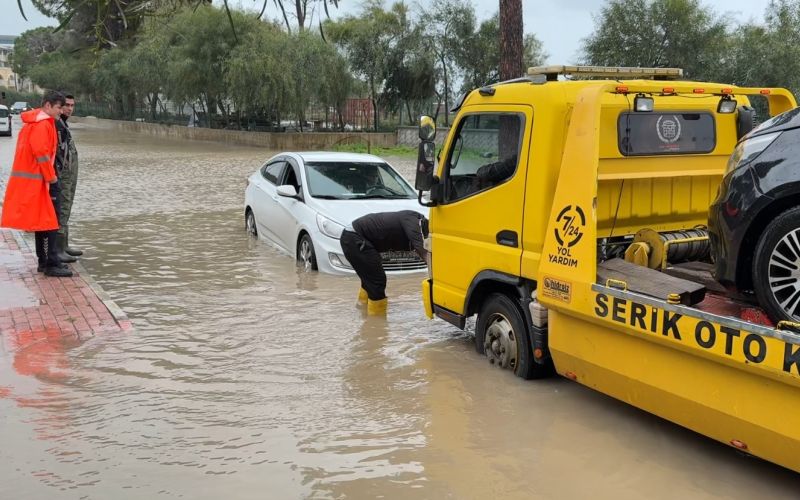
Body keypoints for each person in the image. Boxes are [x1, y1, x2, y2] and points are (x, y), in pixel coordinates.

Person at [1, 91, 72, 277]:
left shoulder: (35, 122)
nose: (61, 111)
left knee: (43, 221)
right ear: (47, 106)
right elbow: (42, 154)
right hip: (43, 180)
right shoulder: (42, 125)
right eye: (58, 107)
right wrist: (52, 178)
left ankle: (45, 261)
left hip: (37, 181)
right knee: (50, 222)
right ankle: (50, 263)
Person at [340, 210, 429, 315]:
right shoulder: (414, 221)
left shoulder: (413, 218)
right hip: (354, 238)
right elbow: (421, 249)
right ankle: (376, 321)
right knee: (377, 280)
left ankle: (362, 309)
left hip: (352, 237)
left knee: (369, 279)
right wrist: (434, 269)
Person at [54, 93, 82, 262]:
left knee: (67, 206)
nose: (70, 109)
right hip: (62, 176)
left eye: (72, 105)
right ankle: (58, 249)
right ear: (59, 106)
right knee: (62, 208)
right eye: (67, 105)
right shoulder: (56, 125)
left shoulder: (63, 125)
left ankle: (64, 245)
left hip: (69, 176)